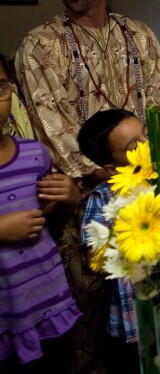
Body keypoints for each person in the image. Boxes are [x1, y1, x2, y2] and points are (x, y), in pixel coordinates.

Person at [15, 0, 160, 373]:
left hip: (149, 202)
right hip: (82, 205)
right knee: (88, 326)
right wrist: (102, 187)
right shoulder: (39, 47)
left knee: (156, 310)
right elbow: (52, 129)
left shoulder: (140, 35)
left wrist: (155, 179)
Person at [78, 109, 160, 371]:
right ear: (112, 167)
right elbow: (94, 258)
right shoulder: (105, 201)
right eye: (134, 146)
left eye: (147, 135)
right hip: (138, 319)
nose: (148, 146)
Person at [0, 57, 81, 373]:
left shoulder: (34, 155)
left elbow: (44, 222)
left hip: (47, 305)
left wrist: (68, 200)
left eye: (0, 87)